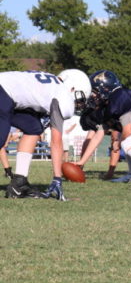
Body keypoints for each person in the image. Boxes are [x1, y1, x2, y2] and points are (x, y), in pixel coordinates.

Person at [0, 69, 91, 199]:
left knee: (33, 128)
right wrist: (57, 178)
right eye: (79, 98)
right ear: (72, 88)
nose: (78, 103)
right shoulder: (63, 94)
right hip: (4, 93)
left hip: (9, 97)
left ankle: (19, 183)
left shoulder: (50, 83)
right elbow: (56, 141)